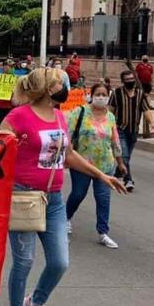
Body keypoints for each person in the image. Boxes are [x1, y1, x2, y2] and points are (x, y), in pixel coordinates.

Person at [0, 68, 126, 306]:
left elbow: (67, 154)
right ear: (46, 89)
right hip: (24, 197)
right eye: (58, 83)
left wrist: (102, 175)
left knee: (59, 262)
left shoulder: (59, 116)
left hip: (53, 199)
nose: (64, 86)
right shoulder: (18, 116)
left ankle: (36, 302)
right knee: (24, 261)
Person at [67, 83, 127, 249]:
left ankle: (103, 232)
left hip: (105, 165)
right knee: (78, 194)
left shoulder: (111, 117)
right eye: (98, 94)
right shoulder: (79, 113)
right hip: (82, 164)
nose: (101, 97)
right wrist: (66, 156)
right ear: (92, 95)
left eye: (104, 94)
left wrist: (120, 162)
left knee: (103, 198)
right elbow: (68, 136)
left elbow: (115, 140)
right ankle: (65, 218)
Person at [109, 70, 154, 191]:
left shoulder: (140, 94)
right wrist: (108, 125)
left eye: (132, 79)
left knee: (127, 156)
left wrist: (152, 123)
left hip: (133, 130)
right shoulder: (116, 93)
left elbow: (146, 110)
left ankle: (117, 174)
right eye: (127, 80)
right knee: (124, 155)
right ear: (123, 81)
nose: (130, 81)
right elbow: (110, 110)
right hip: (120, 129)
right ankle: (128, 179)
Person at [0, 59, 15, 133]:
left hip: (11, 107)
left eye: (11, 66)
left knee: (11, 128)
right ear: (3, 67)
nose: (9, 68)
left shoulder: (16, 79)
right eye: (8, 66)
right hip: (0, 106)